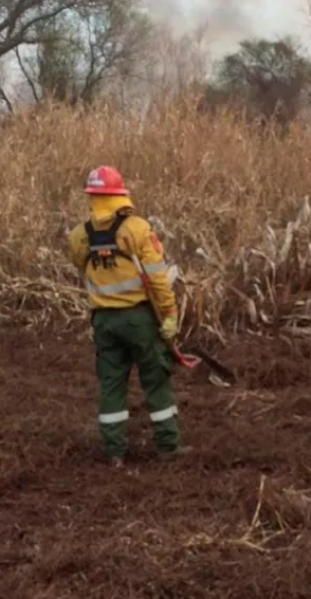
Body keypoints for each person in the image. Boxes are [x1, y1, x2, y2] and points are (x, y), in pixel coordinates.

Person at [67, 165, 188, 468]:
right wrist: (170, 315)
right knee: (156, 380)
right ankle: (168, 447)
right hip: (139, 320)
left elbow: (80, 263)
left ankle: (114, 453)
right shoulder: (137, 229)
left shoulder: (79, 236)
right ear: (120, 194)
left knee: (111, 385)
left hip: (104, 322)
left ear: (92, 197)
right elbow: (158, 279)